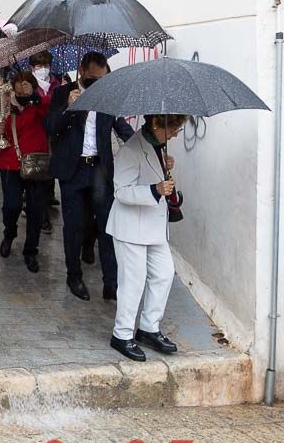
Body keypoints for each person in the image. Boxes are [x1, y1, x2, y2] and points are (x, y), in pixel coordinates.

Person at [46, 52, 134, 302]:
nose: (98, 82)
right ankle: (74, 276)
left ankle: (111, 283)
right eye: (93, 78)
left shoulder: (109, 93)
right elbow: (50, 128)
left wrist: (147, 145)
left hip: (99, 170)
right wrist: (68, 108)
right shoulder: (63, 93)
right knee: (73, 227)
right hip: (72, 171)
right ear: (82, 71)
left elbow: (122, 128)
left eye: (102, 78)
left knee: (107, 227)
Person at [106, 114, 188, 361]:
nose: (175, 134)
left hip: (153, 227)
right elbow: (121, 191)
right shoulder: (131, 149)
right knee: (133, 282)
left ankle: (149, 328)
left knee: (164, 274)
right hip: (131, 228)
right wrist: (155, 189)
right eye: (174, 129)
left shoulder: (157, 147)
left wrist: (165, 168)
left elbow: (151, 173)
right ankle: (121, 334)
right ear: (157, 125)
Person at [0, 71, 50, 273]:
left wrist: (35, 97)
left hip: (36, 164)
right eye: (19, 85)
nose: (22, 89)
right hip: (10, 163)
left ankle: (31, 249)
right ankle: (9, 232)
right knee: (11, 205)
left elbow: (50, 117)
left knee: (35, 209)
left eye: (27, 85)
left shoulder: (40, 104)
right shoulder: (5, 103)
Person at [28, 51, 58, 233]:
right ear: (32, 67)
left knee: (48, 178)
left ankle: (43, 213)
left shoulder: (57, 84)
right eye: (39, 66)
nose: (43, 69)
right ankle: (40, 215)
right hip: (34, 138)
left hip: (52, 138)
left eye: (46, 65)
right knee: (36, 180)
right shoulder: (26, 84)